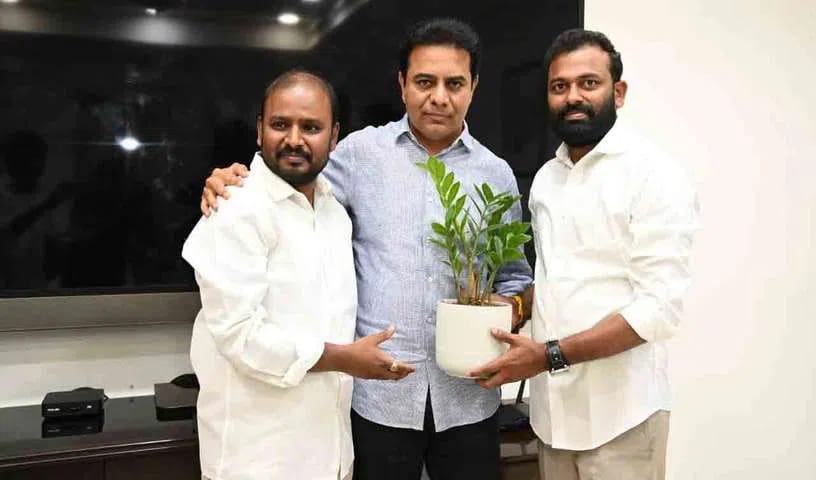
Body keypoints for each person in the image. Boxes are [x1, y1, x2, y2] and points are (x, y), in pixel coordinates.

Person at [200, 19, 533, 480]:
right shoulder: (359, 154)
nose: (439, 97)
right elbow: (291, 180)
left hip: (469, 397)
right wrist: (232, 179)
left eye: (454, 83)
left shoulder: (495, 174)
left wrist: (512, 308)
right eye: (424, 82)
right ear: (402, 84)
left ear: (473, 87)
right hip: (379, 398)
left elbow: (515, 278)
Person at [469, 29, 700, 479]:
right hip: (553, 419)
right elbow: (557, 280)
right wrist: (516, 307)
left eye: (588, 83)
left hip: (623, 419)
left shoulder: (654, 174)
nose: (573, 96)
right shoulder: (547, 179)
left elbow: (659, 310)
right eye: (560, 86)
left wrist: (547, 356)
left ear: (619, 92)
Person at [182, 70, 415, 480]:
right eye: (280, 124)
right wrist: (345, 358)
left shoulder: (334, 213)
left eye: (310, 127)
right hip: (257, 463)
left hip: (329, 456)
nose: (294, 139)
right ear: (259, 130)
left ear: (334, 136)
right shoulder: (236, 208)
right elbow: (240, 336)